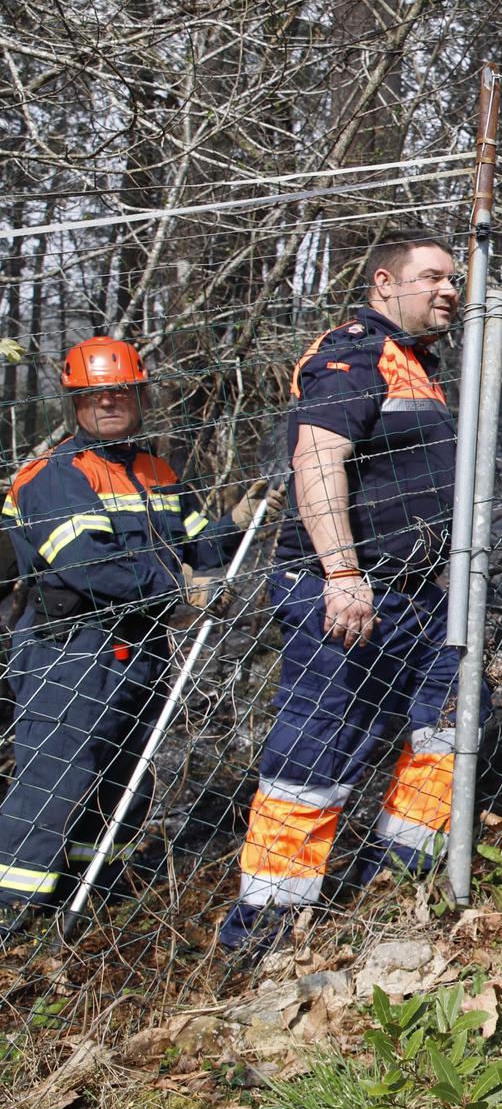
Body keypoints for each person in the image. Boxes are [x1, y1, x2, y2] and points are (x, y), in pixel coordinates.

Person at [217, 228, 466, 954]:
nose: (449, 289)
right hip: (350, 591)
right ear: (385, 284)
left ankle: (398, 881)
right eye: (431, 276)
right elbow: (317, 462)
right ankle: (264, 932)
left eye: (452, 277)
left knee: (447, 729)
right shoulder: (354, 354)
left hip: (422, 594)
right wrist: (344, 575)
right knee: (315, 756)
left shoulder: (418, 365)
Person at [0, 338, 255, 942]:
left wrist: (235, 528)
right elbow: (90, 566)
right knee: (55, 776)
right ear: (76, 402)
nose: (110, 402)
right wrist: (182, 587)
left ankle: (94, 890)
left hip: (140, 646)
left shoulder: (155, 471)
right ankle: (13, 909)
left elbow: (194, 545)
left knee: (126, 774)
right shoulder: (54, 476)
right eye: (96, 395)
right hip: (71, 649)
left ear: (140, 395)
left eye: (121, 391)